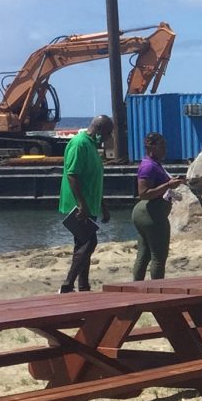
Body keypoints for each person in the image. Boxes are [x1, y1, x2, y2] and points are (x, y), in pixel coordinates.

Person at [57, 115, 112, 293]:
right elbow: (72, 175)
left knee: (83, 245)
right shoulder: (79, 144)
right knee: (89, 242)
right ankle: (67, 284)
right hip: (79, 206)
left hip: (90, 204)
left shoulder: (92, 145)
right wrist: (81, 204)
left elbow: (94, 179)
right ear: (100, 130)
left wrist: (103, 205)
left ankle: (84, 285)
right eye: (108, 133)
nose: (108, 138)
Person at [131, 132, 182, 281]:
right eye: (162, 146)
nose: (165, 150)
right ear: (153, 147)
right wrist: (168, 185)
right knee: (158, 257)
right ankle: (156, 291)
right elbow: (144, 193)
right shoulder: (148, 166)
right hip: (151, 215)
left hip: (148, 214)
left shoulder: (155, 164)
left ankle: (136, 287)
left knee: (144, 253)